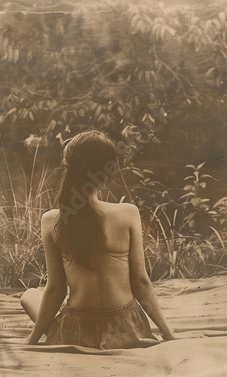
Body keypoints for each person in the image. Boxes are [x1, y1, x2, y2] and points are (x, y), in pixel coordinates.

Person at [20, 130, 179, 349]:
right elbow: (141, 282)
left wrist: (31, 340)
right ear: (106, 173)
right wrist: (169, 334)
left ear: (70, 169)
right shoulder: (128, 213)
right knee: (36, 295)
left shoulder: (51, 220)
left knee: (29, 295)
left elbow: (56, 289)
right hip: (125, 327)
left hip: (77, 329)